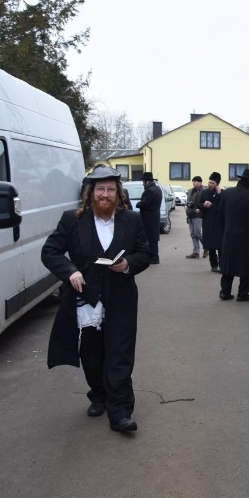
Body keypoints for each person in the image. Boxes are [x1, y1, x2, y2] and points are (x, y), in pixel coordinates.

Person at [41, 166, 151, 433]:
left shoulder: (131, 220)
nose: (105, 194)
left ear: (117, 193)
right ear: (90, 193)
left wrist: (127, 264)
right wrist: (71, 271)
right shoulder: (72, 220)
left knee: (119, 354)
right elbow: (50, 252)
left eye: (110, 189)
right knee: (92, 356)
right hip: (86, 300)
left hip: (121, 297)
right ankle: (98, 394)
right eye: (100, 189)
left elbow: (146, 254)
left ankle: (120, 411)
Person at [218, 168, 249, 301]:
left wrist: (226, 229)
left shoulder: (228, 193)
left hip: (229, 235)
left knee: (228, 264)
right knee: (246, 265)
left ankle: (225, 292)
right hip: (246, 237)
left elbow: (221, 215)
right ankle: (242, 293)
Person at [136, 172, 162, 264]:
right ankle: (154, 257)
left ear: (146, 181)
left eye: (143, 181)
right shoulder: (157, 188)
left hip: (148, 217)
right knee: (153, 238)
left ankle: (153, 258)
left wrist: (138, 203)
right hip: (154, 216)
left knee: (150, 238)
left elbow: (143, 204)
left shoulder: (150, 190)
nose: (142, 183)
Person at [200, 171, 224, 271]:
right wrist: (203, 205)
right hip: (208, 223)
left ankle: (222, 266)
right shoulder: (204, 192)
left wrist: (220, 194)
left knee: (221, 246)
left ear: (217, 184)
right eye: (209, 182)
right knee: (211, 246)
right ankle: (213, 265)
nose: (210, 184)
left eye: (212, 183)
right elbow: (198, 204)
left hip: (219, 223)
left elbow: (225, 205)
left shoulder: (222, 193)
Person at [184, 176, 205, 258]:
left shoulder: (204, 191)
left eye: (196, 181)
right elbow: (189, 202)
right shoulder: (191, 191)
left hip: (198, 215)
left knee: (197, 233)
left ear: (200, 182)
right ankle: (196, 252)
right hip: (190, 214)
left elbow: (204, 203)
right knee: (192, 234)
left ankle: (208, 246)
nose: (194, 183)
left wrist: (199, 209)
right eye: (193, 181)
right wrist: (186, 205)